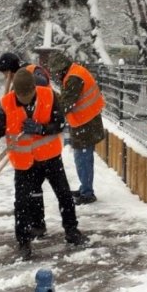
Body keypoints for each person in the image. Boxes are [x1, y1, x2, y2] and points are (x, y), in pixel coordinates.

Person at [0, 70, 88, 259]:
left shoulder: (49, 96)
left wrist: (42, 128)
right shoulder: (7, 104)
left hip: (50, 158)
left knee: (64, 195)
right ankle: (24, 242)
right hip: (24, 163)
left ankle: (72, 232)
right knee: (23, 204)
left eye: (28, 96)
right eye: (20, 96)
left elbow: (60, 123)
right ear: (15, 92)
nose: (24, 100)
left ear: (34, 88)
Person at [0, 51, 53, 237]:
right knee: (30, 189)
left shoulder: (32, 75)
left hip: (42, 143)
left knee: (33, 188)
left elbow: (41, 94)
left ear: (11, 70)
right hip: (28, 145)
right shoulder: (20, 78)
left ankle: (36, 224)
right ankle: (34, 224)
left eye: (6, 73)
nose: (5, 78)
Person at [46, 52, 105, 205]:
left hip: (86, 123)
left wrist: (49, 103)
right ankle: (85, 188)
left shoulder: (74, 78)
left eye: (57, 72)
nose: (56, 75)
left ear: (62, 68)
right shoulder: (74, 72)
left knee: (83, 158)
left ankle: (87, 193)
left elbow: (65, 104)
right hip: (84, 121)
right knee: (82, 158)